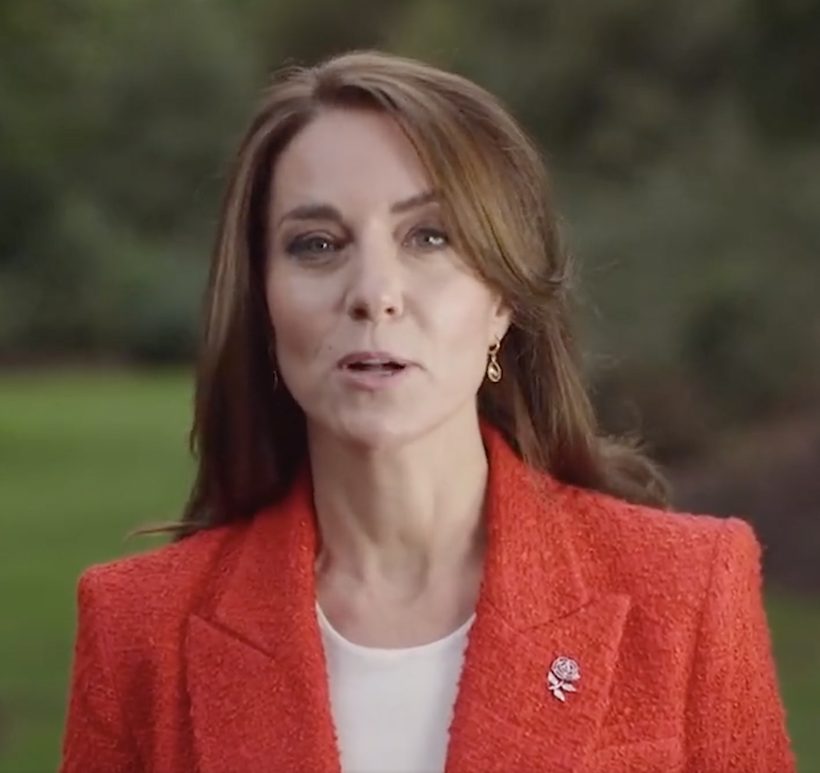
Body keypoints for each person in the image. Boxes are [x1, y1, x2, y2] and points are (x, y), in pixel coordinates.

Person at [59, 50, 795, 773]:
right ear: (262, 303)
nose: (375, 291)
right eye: (317, 244)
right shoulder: (138, 628)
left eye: (430, 236)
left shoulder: (687, 590)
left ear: (503, 299)